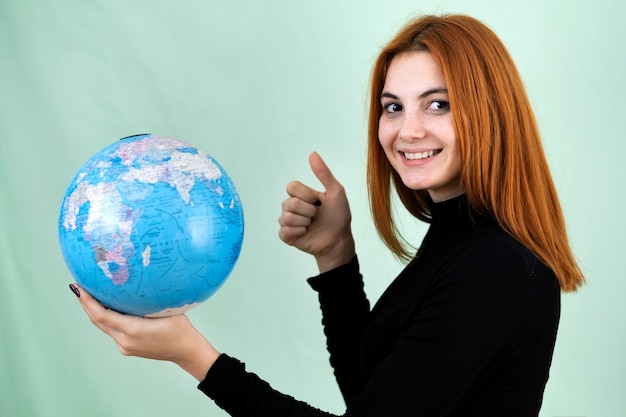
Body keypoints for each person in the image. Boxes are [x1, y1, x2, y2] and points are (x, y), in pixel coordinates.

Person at [69, 13, 584, 417]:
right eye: (393, 106)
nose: (407, 131)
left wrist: (198, 359)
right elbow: (373, 397)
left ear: (489, 111)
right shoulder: (462, 240)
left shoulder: (494, 266)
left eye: (438, 104)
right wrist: (335, 255)